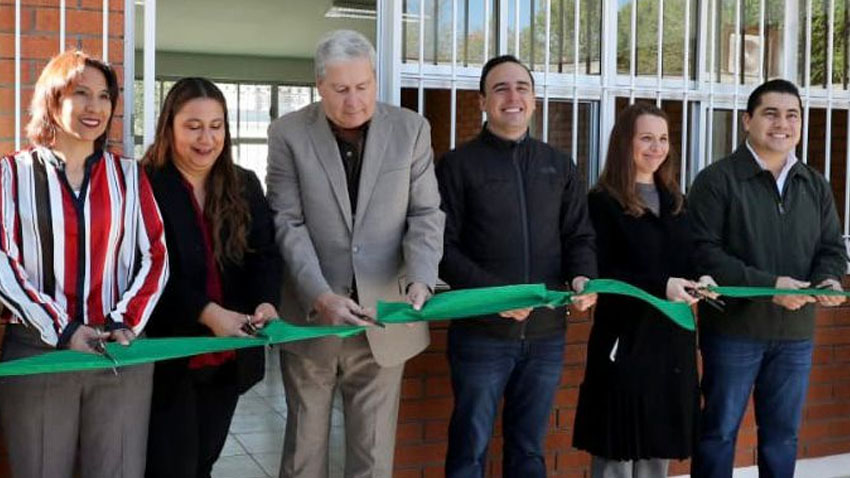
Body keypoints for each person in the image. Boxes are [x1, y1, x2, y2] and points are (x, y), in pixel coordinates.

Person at [266, 30, 444, 478]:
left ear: (375, 81)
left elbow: (425, 213)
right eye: (341, 89)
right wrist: (321, 295)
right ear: (319, 86)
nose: (354, 100)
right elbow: (287, 222)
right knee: (304, 453)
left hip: (386, 316)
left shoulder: (411, 129)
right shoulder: (288, 133)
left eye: (363, 87)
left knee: (372, 455)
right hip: (312, 319)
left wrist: (422, 278)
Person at [0, 50, 169, 478]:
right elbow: (3, 260)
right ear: (53, 100)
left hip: (120, 350)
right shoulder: (10, 175)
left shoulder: (129, 176)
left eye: (104, 96)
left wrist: (123, 322)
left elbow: (155, 254)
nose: (95, 107)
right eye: (81, 94)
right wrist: (63, 330)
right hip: (38, 351)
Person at [437, 54, 597, 478]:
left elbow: (579, 235)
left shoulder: (559, 165)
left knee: (529, 450)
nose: (513, 97)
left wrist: (583, 275)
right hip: (481, 336)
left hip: (546, 335)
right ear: (482, 102)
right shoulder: (457, 165)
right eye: (501, 88)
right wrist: (497, 298)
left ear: (535, 100)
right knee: (469, 449)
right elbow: (442, 250)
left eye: (522, 88)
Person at [688, 79, 847, 478]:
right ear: (747, 121)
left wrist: (828, 280)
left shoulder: (814, 183)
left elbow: (831, 247)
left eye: (792, 114)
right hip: (733, 332)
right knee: (719, 434)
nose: (783, 123)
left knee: (782, 438)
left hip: (795, 334)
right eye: (771, 113)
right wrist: (770, 286)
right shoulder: (717, 180)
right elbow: (703, 253)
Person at [141, 77, 283, 478]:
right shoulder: (144, 185)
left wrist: (266, 302)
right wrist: (206, 313)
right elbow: (144, 271)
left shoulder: (244, 184)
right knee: (171, 466)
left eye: (216, 125)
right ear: (169, 126)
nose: (207, 138)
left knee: (205, 461)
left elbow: (264, 256)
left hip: (228, 358)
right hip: (170, 358)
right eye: (193, 126)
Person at [572, 103, 717, 478]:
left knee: (657, 452)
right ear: (625, 143)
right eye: (646, 138)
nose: (657, 147)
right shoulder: (601, 202)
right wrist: (660, 286)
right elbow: (603, 272)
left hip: (671, 345)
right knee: (617, 455)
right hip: (625, 343)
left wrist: (703, 278)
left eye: (663, 139)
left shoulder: (676, 201)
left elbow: (690, 256)